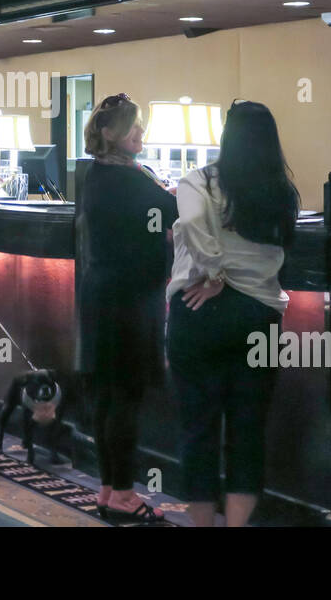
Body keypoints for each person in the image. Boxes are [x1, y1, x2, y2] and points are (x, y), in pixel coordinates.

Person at [167, 99, 299, 527]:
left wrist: (214, 271)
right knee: (248, 430)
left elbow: (188, 222)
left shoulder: (198, 182)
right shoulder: (281, 191)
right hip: (258, 316)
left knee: (198, 428)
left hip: (198, 310)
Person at [76, 94, 178, 523]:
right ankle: (122, 493)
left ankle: (106, 487)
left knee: (106, 396)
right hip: (131, 303)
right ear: (109, 132)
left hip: (101, 297)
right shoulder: (131, 180)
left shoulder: (97, 175)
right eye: (133, 126)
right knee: (125, 397)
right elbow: (176, 213)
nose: (140, 133)